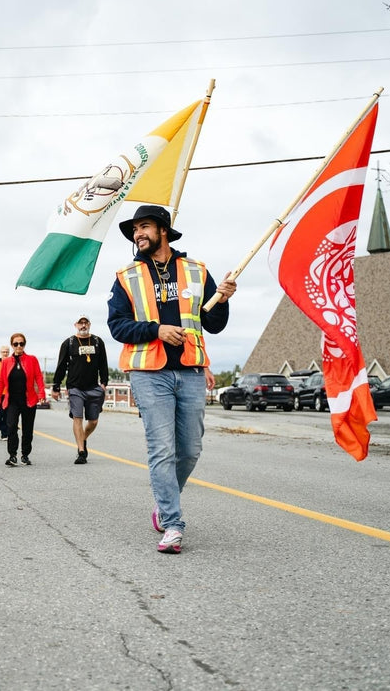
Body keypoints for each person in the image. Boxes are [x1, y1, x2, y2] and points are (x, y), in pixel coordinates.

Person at [107, 204, 235, 554]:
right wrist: (157, 330)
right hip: (149, 373)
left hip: (191, 370)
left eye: (144, 227)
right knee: (162, 449)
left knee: (190, 450)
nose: (138, 234)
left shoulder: (196, 271)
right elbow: (117, 326)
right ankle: (173, 523)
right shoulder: (127, 276)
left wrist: (222, 300)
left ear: (163, 230)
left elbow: (214, 324)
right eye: (135, 229)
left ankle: (163, 505)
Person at [52, 316, 109, 465]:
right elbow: (61, 366)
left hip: (93, 388)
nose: (83, 325)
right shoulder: (69, 343)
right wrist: (56, 386)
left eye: (85, 323)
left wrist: (104, 383)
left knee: (93, 421)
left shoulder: (97, 341)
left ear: (89, 324)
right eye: (80, 323)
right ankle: (81, 452)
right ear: (75, 325)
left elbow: (103, 363)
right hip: (75, 387)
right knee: (77, 418)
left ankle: (82, 439)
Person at [0, 333, 46, 467]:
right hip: (12, 400)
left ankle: (25, 455)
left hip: (28, 400)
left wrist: (41, 394)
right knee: (11, 426)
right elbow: (1, 382)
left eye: (21, 343)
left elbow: (38, 377)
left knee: (27, 429)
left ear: (24, 344)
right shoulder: (6, 362)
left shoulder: (32, 359)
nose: (19, 346)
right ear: (12, 345)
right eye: (16, 344)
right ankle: (12, 455)